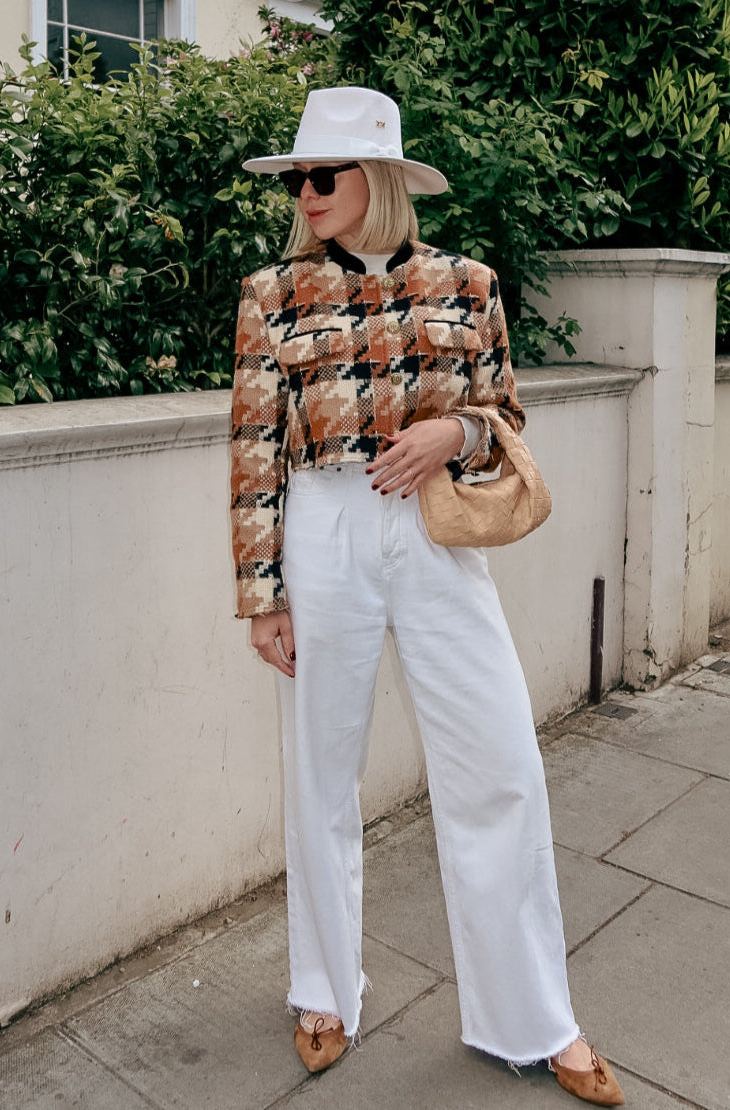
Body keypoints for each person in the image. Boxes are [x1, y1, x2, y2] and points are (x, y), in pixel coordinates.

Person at [229, 86, 625, 1107]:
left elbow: (505, 417)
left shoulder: (468, 282)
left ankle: (533, 1019)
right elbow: (254, 449)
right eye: (297, 177)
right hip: (322, 530)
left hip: (435, 530)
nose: (307, 192)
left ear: (380, 178)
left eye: (325, 174)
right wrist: (262, 592)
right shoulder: (271, 293)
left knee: (498, 765)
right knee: (320, 773)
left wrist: (456, 431)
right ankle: (323, 991)